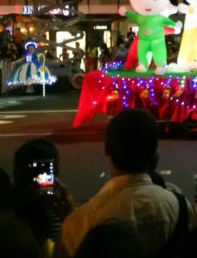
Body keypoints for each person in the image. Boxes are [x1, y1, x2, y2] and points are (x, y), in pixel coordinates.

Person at [53, 109, 180, 258]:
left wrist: (70, 218)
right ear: (155, 151)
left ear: (107, 149)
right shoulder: (181, 208)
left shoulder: (79, 223)